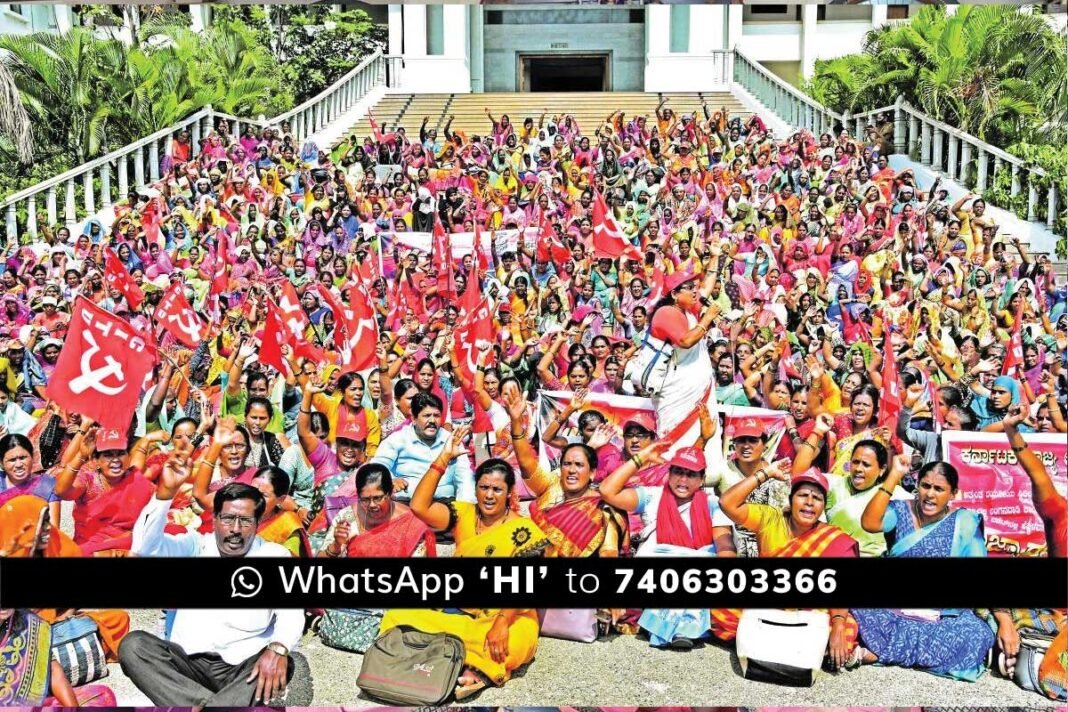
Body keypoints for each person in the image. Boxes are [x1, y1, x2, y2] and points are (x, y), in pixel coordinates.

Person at [378, 426, 548, 699]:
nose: (489, 495)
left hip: (503, 615)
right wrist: (444, 459)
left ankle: (479, 671)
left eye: (497, 489)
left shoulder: (524, 531)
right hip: (457, 609)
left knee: (521, 640)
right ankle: (464, 660)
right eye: (483, 487)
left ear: (509, 493)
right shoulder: (463, 514)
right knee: (397, 614)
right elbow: (419, 507)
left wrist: (502, 622)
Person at [120, 463, 302, 707]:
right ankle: (216, 706)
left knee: (284, 661)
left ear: (258, 523)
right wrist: (164, 495)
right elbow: (145, 548)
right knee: (134, 646)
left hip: (242, 672)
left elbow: (292, 614)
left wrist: (278, 648)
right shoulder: (196, 546)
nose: (235, 530)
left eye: (245, 521)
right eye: (228, 519)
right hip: (186, 667)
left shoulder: (275, 556)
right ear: (215, 519)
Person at [850, 457, 1006, 680]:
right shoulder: (900, 510)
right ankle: (903, 651)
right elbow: (870, 523)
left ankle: (879, 651)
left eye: (939, 489)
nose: (930, 494)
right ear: (917, 486)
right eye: (925, 486)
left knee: (976, 635)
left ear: (953, 494)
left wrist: (1004, 621)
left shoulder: (964, 523)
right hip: (890, 606)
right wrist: (894, 475)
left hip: (939, 614)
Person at [714, 464, 859, 668]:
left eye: (816, 498)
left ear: (823, 507)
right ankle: (804, 647)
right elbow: (727, 502)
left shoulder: (832, 538)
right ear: (791, 500)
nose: (809, 503)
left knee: (847, 626)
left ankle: (761, 640)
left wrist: (837, 626)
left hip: (807, 611)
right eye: (803, 495)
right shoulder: (770, 518)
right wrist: (766, 474)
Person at [600, 442, 736, 648]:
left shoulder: (712, 503)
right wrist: (642, 457)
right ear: (668, 473)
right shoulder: (652, 496)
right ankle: (682, 628)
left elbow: (724, 545)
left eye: (691, 474)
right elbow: (607, 491)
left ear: (701, 479)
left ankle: (678, 627)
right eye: (678, 472)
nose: (683, 480)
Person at [370, 392, 475, 503]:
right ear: (414, 419)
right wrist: (390, 480)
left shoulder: (452, 441)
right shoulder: (397, 439)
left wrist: (465, 508)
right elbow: (376, 467)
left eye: (436, 415)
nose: (432, 421)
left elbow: (465, 477)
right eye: (426, 416)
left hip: (444, 502)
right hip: (407, 502)